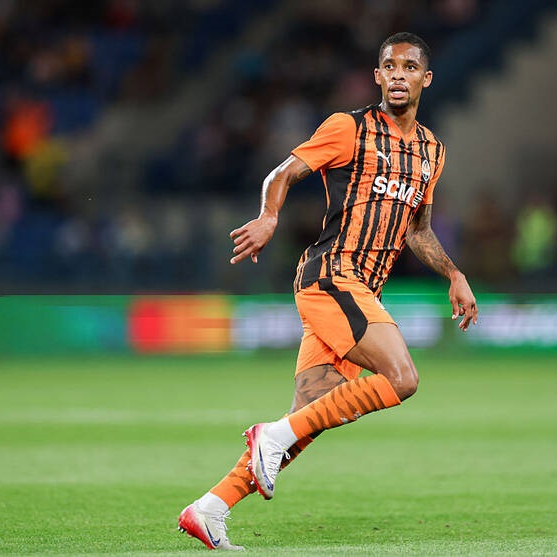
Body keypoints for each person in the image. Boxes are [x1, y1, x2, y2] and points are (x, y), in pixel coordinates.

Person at [178, 32, 478, 551]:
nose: (399, 74)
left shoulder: (432, 151)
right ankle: (269, 435)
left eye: (410, 67)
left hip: (362, 291)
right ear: (377, 76)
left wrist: (454, 273)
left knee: (307, 419)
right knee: (402, 378)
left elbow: (418, 230)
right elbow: (282, 173)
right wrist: (269, 217)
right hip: (332, 275)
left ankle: (210, 508)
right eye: (389, 66)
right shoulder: (348, 128)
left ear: (426, 79)